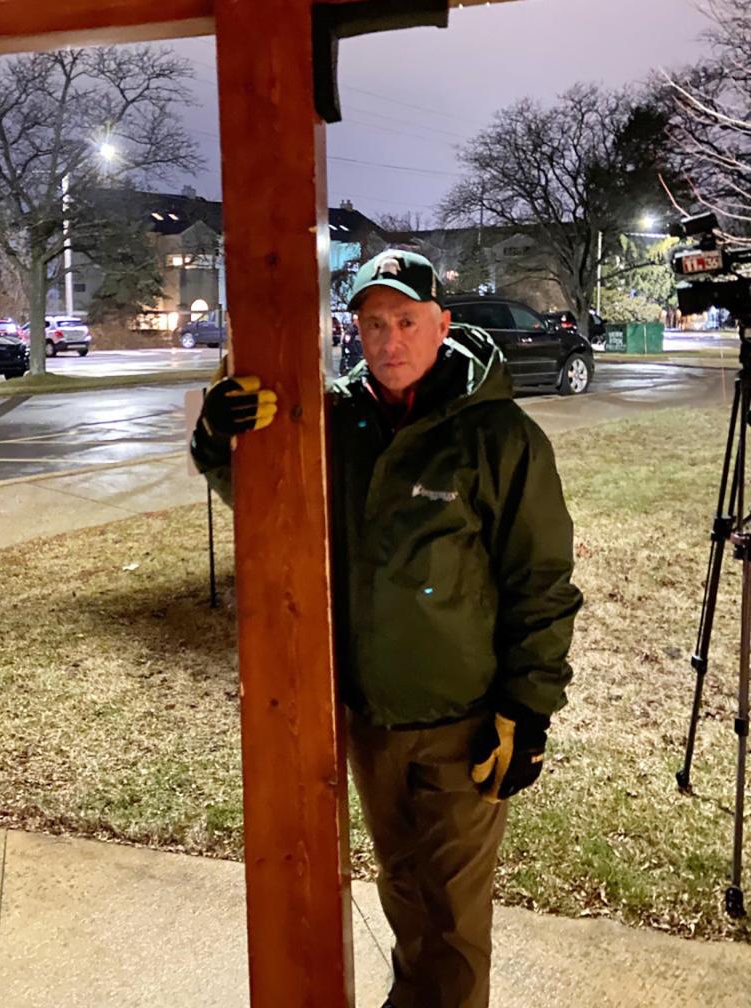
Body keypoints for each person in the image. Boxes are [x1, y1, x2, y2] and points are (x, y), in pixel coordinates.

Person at [191, 249, 581, 1008]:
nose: (390, 340)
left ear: (442, 325)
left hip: (462, 725)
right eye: (374, 323)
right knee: (406, 898)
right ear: (355, 330)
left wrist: (528, 709)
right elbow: (268, 506)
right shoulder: (337, 421)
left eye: (407, 321)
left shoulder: (499, 436)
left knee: (455, 927)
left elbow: (539, 579)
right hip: (370, 724)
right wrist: (216, 436)